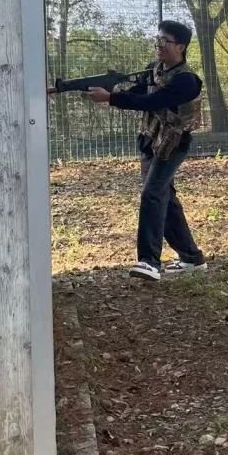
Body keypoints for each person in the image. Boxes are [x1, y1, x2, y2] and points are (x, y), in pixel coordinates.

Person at [86, 20, 208, 281]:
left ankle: (149, 261)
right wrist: (109, 89)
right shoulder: (154, 69)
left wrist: (111, 98)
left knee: (152, 194)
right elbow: (138, 91)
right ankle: (191, 258)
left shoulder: (187, 80)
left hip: (173, 144)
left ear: (181, 47)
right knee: (166, 199)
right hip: (151, 140)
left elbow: (152, 101)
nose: (159, 45)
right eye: (158, 39)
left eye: (165, 41)